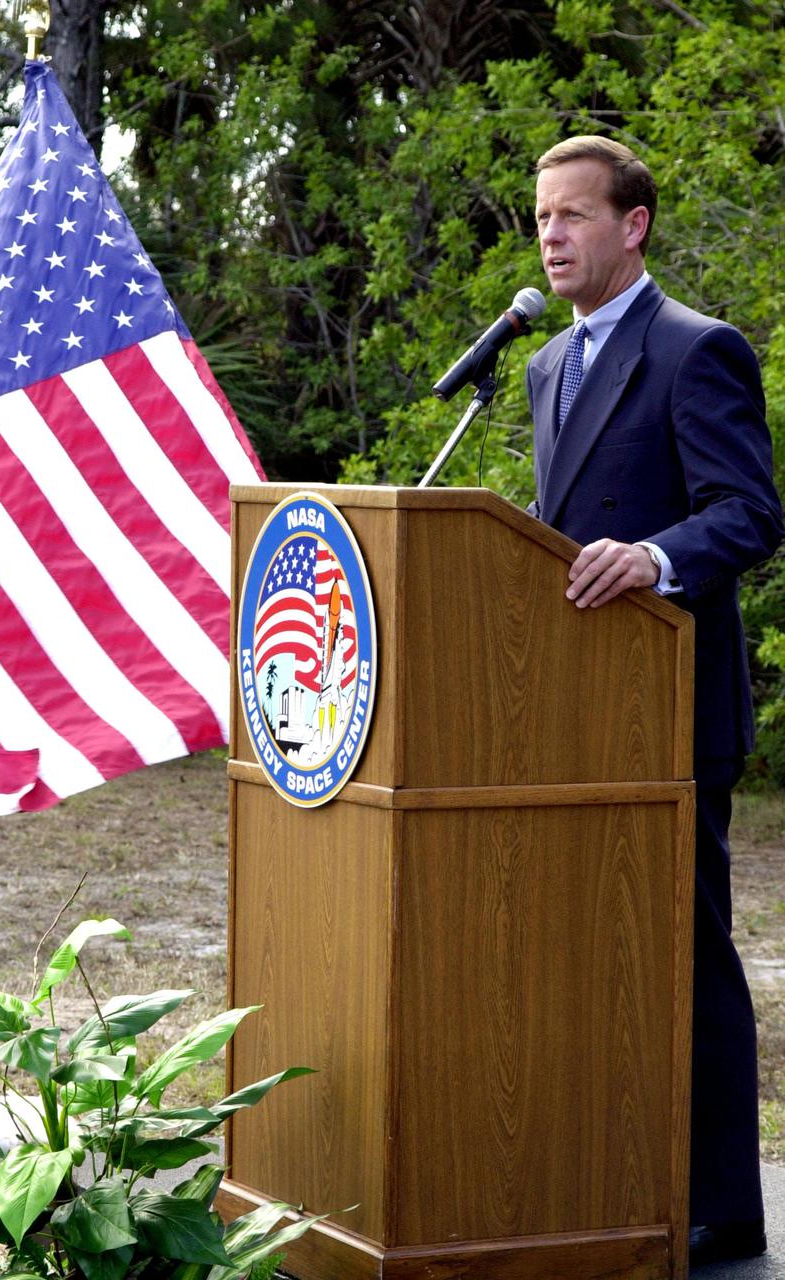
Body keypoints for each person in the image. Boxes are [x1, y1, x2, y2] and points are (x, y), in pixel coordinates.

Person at [526, 135, 783, 1268]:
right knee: (588, 954)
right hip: (572, 718)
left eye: (573, 215)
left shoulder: (695, 351)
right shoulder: (542, 368)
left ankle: (721, 1203)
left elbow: (750, 513)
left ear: (632, 226)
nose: (551, 234)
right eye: (541, 218)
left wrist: (654, 556)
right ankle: (609, 1169)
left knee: (685, 953)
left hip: (671, 710)